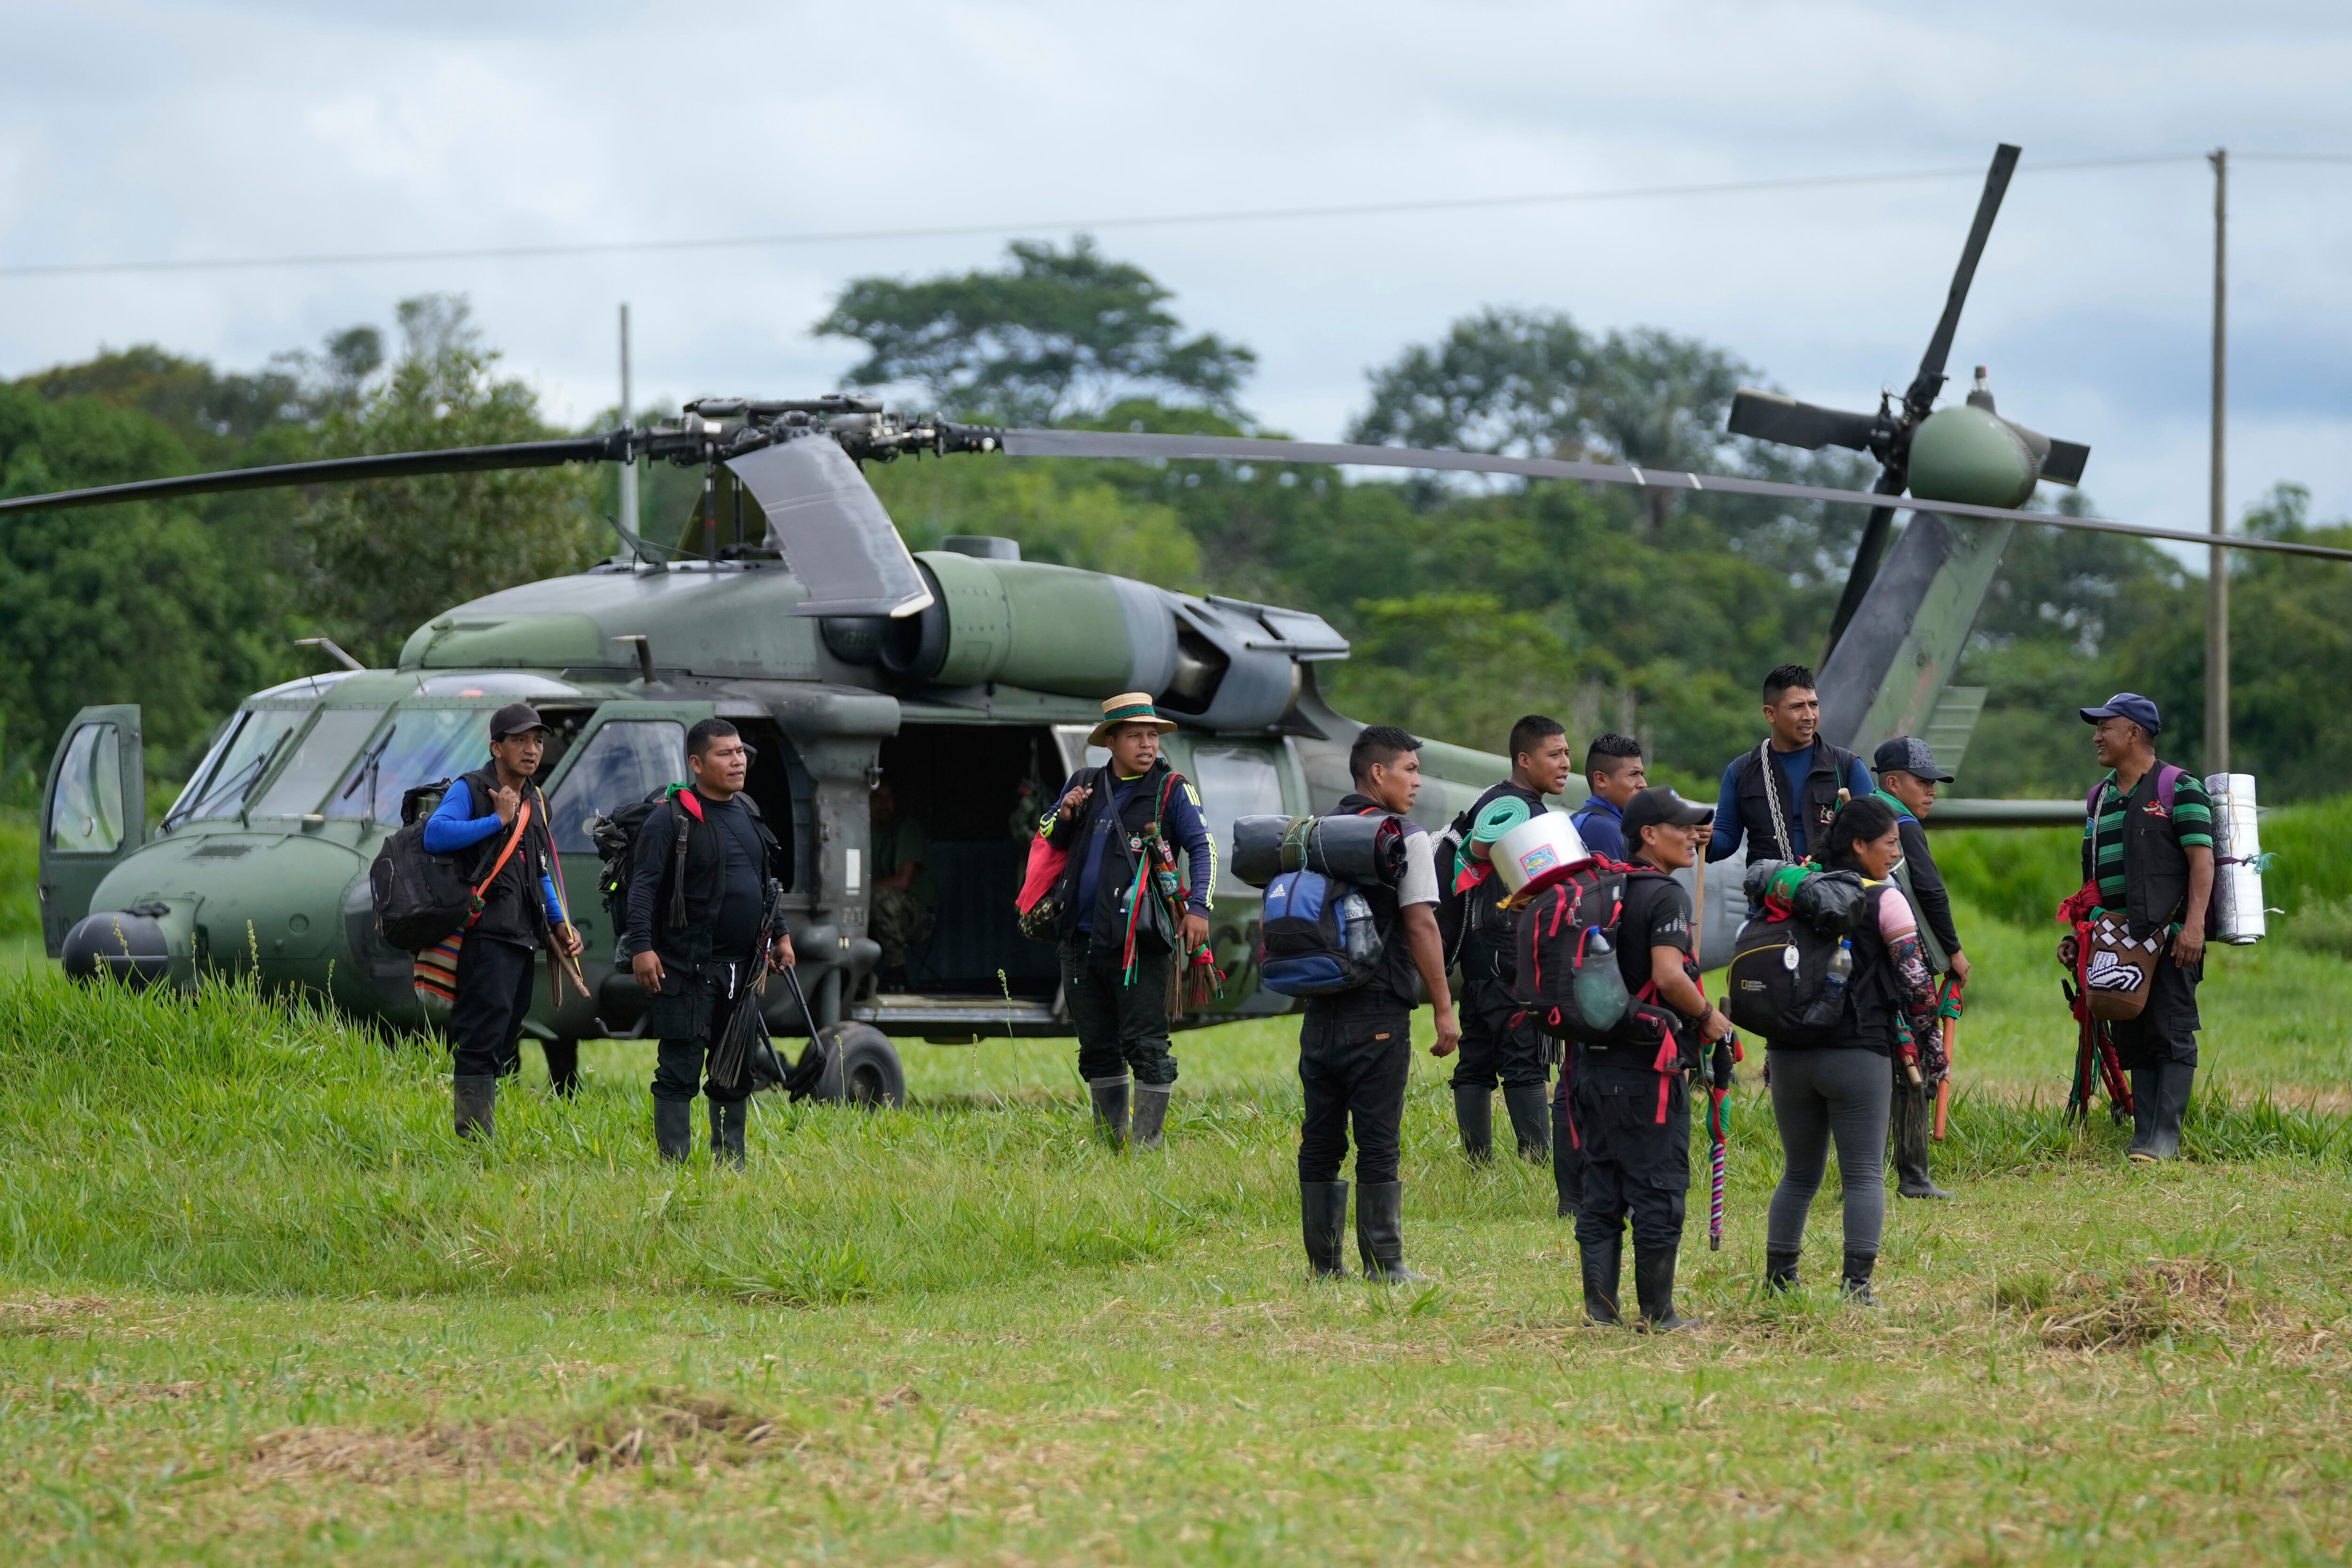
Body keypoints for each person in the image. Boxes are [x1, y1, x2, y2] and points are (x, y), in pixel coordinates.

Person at [1761, 795, 1944, 1305]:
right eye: (1889, 844)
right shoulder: (1883, 899)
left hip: (1789, 1052)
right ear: (1859, 845)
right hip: (1857, 1050)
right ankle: (1856, 1289)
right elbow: (1915, 982)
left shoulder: (1794, 893)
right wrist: (1931, 1051)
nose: (1894, 854)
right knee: (1863, 1173)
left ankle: (1779, 1283)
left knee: (1798, 1173)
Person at [1299, 726, 1462, 1283]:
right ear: (1377, 774)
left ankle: (1323, 1268)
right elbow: (1420, 924)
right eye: (1409, 770)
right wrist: (1443, 1007)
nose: (1417, 781)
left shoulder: (1318, 832)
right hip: (1378, 1010)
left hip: (1320, 1008)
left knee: (1320, 1134)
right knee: (1377, 1137)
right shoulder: (1405, 837)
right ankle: (1385, 1264)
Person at [1573, 787, 1730, 1332]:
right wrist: (1709, 1017)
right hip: (1646, 1072)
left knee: (1602, 1191)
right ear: (1648, 835)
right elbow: (1667, 975)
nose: (1692, 837)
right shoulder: (1664, 896)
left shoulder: (1601, 889)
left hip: (1589, 1069)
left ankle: (1600, 1311)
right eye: (1681, 827)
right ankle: (1658, 1314)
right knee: (1657, 1191)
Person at [1038, 693, 1215, 1151]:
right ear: (1110, 741)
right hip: (1079, 941)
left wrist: (1199, 910)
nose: (1146, 744)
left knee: (1147, 1047)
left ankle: (1146, 1150)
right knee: (1096, 1048)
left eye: (1152, 735)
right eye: (1135, 735)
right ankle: (1108, 1145)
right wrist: (1065, 812)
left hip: (1142, 943)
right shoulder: (1083, 783)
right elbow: (1045, 836)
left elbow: (1204, 848)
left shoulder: (1172, 789)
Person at [622, 719, 797, 1165]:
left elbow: (763, 883)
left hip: (743, 968)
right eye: (725, 753)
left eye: (741, 751)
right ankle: (675, 1165)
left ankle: (729, 1162)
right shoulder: (670, 818)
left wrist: (780, 934)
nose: (738, 760)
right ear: (697, 763)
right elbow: (643, 887)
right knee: (679, 1067)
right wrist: (642, 946)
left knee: (735, 1068)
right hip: (686, 968)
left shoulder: (749, 811)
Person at [2059, 693, 2213, 1162]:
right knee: (2132, 1029)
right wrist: (2079, 933)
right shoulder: (2099, 797)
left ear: (2132, 733)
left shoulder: (2179, 788)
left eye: (2104, 728)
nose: (2096, 737)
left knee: (2168, 1030)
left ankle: (2163, 1136)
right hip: (2114, 938)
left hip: (2169, 938)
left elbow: (2200, 862)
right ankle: (2141, 1134)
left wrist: (2192, 928)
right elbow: (2090, 876)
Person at [421, 702, 585, 1141]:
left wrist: (560, 923)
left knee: (503, 1036)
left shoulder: (536, 797)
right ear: (496, 747)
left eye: (537, 740)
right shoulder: (471, 788)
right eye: (520, 741)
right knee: (479, 1039)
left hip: (523, 935)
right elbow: (435, 833)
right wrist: (497, 821)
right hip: (483, 935)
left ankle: (480, 1132)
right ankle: (473, 1139)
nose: (532, 750)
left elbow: (540, 870)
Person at [1446, 714, 1573, 1166]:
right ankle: (1538, 1163)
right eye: (1554, 754)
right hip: (1507, 955)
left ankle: (1477, 1165)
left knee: (1476, 1056)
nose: (1565, 763)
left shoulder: (1489, 800)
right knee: (1523, 1057)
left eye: (1566, 753)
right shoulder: (1524, 813)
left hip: (1478, 955)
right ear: (1525, 759)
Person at [1870, 736, 1967, 1201]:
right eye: (1922, 782)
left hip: (1859, 959)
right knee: (1910, 1061)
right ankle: (1911, 1173)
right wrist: (1953, 951)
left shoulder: (1859, 815)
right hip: (1900, 959)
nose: (1931, 791)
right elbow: (1929, 890)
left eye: (1934, 784)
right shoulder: (1902, 824)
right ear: (1893, 783)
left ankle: (1867, 1168)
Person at [1707, 664, 1873, 869]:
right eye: (1797, 707)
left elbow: (1875, 835)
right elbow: (1726, 840)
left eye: (1813, 705)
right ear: (1770, 714)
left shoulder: (1846, 766)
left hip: (1834, 895)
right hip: (1770, 898)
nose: (1809, 716)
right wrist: (1704, 838)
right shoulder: (1741, 772)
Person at [867, 780, 935, 990]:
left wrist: (861, 893)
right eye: (877, 798)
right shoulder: (861, 832)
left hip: (917, 916)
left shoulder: (906, 829)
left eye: (889, 799)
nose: (884, 805)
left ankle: (896, 973)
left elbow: (903, 881)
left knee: (880, 900)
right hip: (876, 910)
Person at [1568, 733, 1646, 863]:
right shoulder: (1602, 828)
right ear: (1601, 779)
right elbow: (1613, 883)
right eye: (1634, 774)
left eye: (1642, 774)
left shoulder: (1593, 820)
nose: (1643, 784)